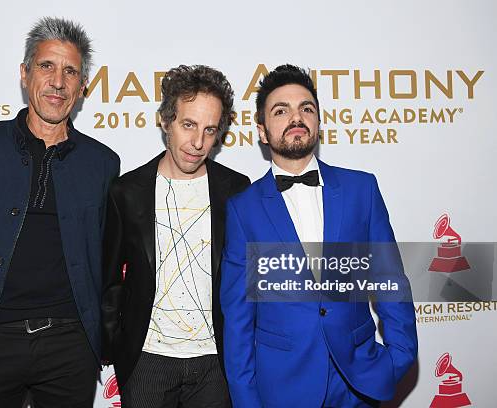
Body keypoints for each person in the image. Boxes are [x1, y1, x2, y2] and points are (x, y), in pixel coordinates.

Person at [220, 64, 417, 407]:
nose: (296, 118)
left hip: (358, 385)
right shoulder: (243, 210)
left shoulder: (362, 189)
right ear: (263, 132)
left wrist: (398, 357)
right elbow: (238, 322)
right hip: (282, 389)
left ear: (318, 122)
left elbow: (390, 281)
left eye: (306, 108)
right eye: (281, 111)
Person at [0, 17, 119, 407]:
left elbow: (103, 258)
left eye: (70, 71)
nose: (58, 81)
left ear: (82, 86)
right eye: (47, 66)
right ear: (24, 75)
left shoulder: (102, 163)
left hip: (69, 346)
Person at [101, 65, 250, 407]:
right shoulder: (127, 191)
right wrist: (113, 345)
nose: (198, 143)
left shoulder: (237, 190)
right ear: (166, 121)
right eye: (188, 125)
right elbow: (110, 280)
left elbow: (247, 280)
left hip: (217, 364)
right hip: (147, 362)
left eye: (210, 130)